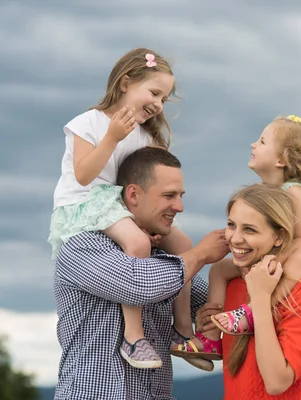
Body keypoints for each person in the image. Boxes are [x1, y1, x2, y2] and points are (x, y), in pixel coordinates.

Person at [48, 48, 196, 369]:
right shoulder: (89, 122)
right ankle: (133, 334)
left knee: (183, 245)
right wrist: (112, 138)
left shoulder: (144, 136)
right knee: (138, 243)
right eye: (154, 92)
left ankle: (182, 329)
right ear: (126, 83)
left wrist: (150, 219)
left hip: (120, 205)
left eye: (164, 98)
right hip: (85, 202)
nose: (158, 103)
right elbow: (84, 175)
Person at [171, 114, 301, 359]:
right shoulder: (268, 192)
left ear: (281, 160)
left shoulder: (295, 192)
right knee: (219, 269)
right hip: (282, 250)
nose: (253, 145)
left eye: (261, 142)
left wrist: (267, 267)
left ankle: (252, 312)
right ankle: (210, 337)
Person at [53, 146, 229, 400]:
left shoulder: (162, 256)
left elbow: (208, 299)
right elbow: (139, 285)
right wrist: (200, 254)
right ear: (133, 195)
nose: (179, 206)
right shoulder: (83, 246)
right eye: (169, 195)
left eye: (181, 196)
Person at [205, 184, 301, 399]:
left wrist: (261, 299)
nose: (234, 238)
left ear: (279, 237)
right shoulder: (231, 282)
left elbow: (276, 382)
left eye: (250, 229)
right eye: (231, 225)